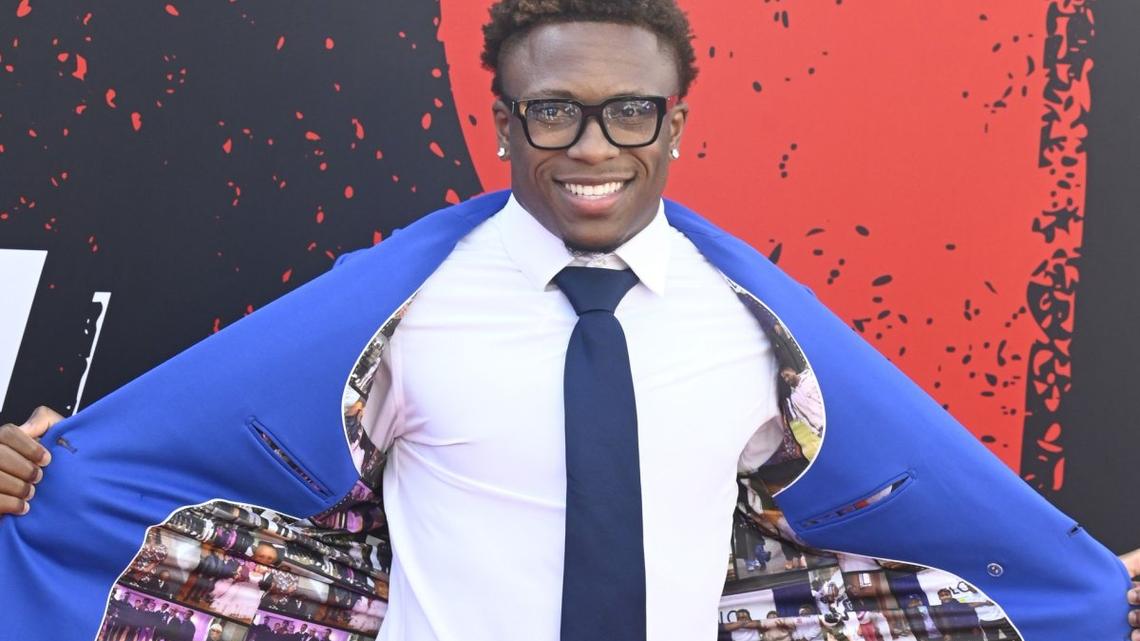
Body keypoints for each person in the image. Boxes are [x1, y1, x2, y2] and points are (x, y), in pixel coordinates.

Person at [0, 2, 1138, 641]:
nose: (593, 147)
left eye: (628, 111)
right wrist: (57, 471)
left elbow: (893, 516)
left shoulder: (756, 331)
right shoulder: (401, 308)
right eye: (555, 111)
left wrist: (1077, 583)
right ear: (505, 122)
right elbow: (219, 465)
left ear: (675, 125)